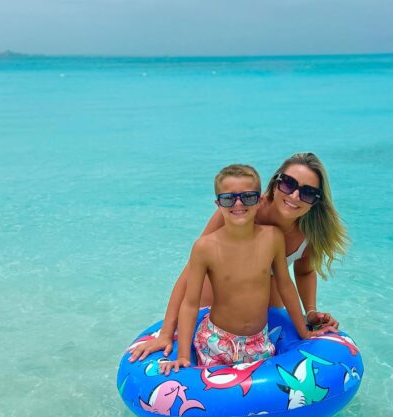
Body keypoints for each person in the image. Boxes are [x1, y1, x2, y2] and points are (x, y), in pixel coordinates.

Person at [137, 163, 324, 417]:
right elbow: (190, 303)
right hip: (215, 340)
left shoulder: (273, 237)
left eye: (248, 198)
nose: (238, 205)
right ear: (218, 203)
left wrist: (304, 330)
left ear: (258, 197)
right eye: (228, 199)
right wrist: (180, 351)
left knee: (270, 396)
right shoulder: (206, 247)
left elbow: (286, 285)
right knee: (201, 398)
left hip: (259, 340)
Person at [130, 152, 348, 369]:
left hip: (261, 301)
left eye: (308, 193)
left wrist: (309, 315)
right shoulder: (239, 210)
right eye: (289, 184)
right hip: (219, 296)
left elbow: (302, 272)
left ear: (316, 201)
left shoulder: (297, 231)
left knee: (269, 320)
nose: (295, 196)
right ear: (274, 185)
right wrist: (167, 333)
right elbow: (190, 280)